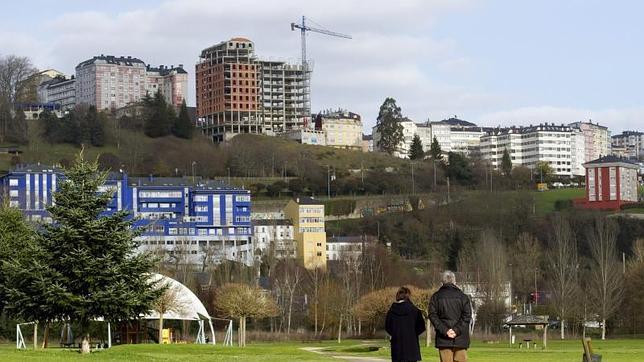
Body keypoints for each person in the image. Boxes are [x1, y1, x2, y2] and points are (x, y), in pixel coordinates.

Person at [429, 271, 472, 362]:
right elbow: (467, 316)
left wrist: (445, 330)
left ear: (442, 282)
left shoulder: (435, 297)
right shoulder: (463, 297)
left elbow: (433, 316)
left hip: (443, 339)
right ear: (454, 282)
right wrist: (456, 330)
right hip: (460, 338)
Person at [385, 286, 426, 362]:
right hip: (411, 346)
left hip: (397, 346)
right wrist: (412, 333)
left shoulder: (391, 311)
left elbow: (388, 327)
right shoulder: (415, 310)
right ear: (408, 296)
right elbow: (422, 327)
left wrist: (395, 333)